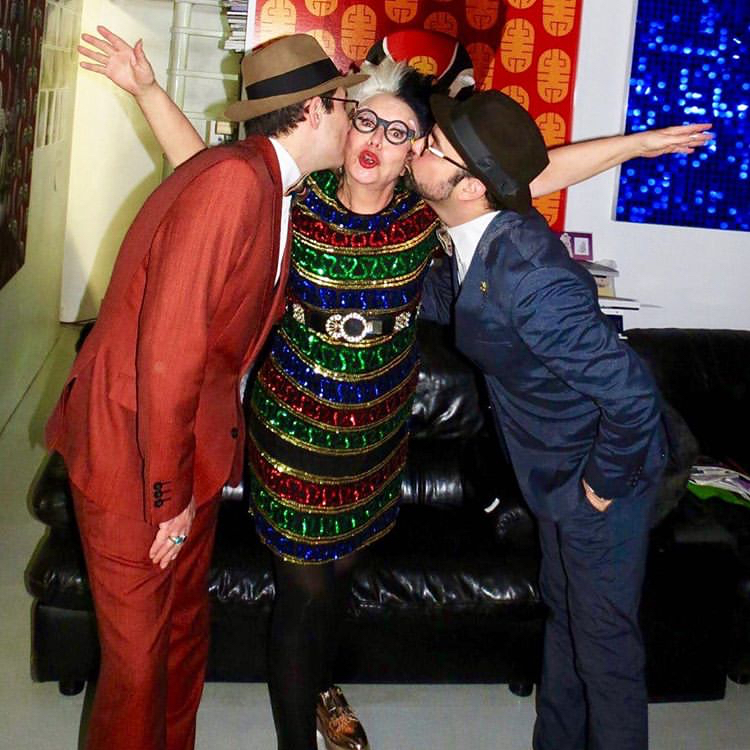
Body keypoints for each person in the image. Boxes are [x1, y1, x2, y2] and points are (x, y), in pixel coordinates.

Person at [77, 27, 712, 750]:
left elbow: (526, 175)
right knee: (301, 592)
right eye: (367, 120)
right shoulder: (295, 200)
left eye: (400, 130)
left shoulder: (423, 214)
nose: (377, 137)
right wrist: (148, 91)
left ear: (417, 153)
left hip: (375, 443)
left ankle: (322, 686)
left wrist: (633, 146)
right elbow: (203, 172)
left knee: (337, 586)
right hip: (292, 439)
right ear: (345, 127)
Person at [46, 33, 365, 750]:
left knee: (183, 634)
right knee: (136, 669)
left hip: (187, 446)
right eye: (344, 105)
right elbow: (169, 354)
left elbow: (199, 172)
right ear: (313, 111)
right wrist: (168, 496)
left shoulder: (260, 178)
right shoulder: (236, 183)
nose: (351, 118)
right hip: (134, 453)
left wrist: (147, 91)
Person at [412, 90, 670, 750]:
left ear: (471, 186)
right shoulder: (477, 239)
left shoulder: (531, 277)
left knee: (605, 651)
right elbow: (457, 298)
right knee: (568, 620)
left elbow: (633, 399)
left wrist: (600, 486)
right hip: (556, 474)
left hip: (601, 477)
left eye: (431, 146)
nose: (416, 148)